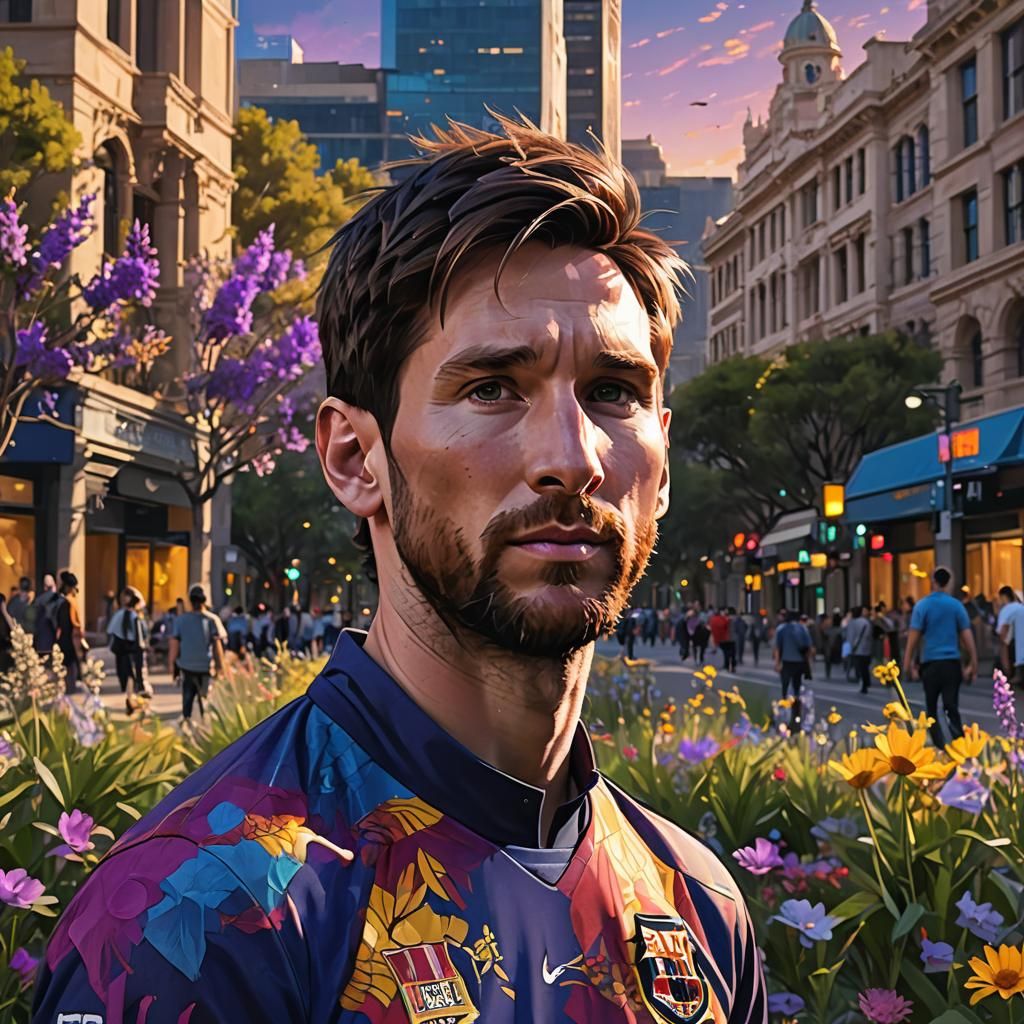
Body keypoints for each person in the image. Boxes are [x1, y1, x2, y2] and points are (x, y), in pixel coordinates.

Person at [34, 116, 767, 1024]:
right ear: (354, 458)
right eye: (493, 387)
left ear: (660, 456)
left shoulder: (696, 909)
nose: (573, 458)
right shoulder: (201, 913)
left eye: (614, 392)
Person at [903, 567, 978, 749]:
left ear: (933, 581)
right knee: (951, 705)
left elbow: (914, 637)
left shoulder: (922, 606)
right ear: (949, 583)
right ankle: (959, 745)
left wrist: (907, 663)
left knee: (931, 707)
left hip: (930, 665)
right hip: (952, 663)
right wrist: (973, 662)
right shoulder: (956, 606)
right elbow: (966, 636)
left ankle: (939, 745)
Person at [168, 584, 228, 726]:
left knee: (187, 699)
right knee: (204, 699)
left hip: (187, 665)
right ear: (205, 600)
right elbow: (217, 645)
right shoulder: (213, 619)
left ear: (190, 600)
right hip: (205, 666)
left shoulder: (180, 620)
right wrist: (221, 667)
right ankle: (204, 726)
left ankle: (186, 725)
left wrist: (172, 665)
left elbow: (174, 645)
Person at [106, 587, 148, 712]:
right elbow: (143, 633)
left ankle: (130, 697)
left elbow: (110, 630)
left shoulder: (119, 614)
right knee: (133, 674)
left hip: (121, 650)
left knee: (126, 674)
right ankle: (132, 698)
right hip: (133, 650)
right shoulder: (136, 616)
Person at [773, 609, 811, 730]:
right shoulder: (803, 629)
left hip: (787, 661)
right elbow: (809, 647)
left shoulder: (782, 629)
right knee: (797, 686)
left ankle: (785, 712)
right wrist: (808, 663)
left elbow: (778, 647)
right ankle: (797, 714)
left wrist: (777, 663)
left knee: (785, 686)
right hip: (799, 662)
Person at [53, 570, 86, 693]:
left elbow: (64, 623)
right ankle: (72, 688)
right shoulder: (72, 601)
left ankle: (70, 690)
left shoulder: (65, 602)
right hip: (74, 637)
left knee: (69, 665)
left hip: (68, 638)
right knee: (73, 664)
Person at [996, 585, 1024, 688]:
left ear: (1003, 597)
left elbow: (1002, 634)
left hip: (1014, 651)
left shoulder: (1006, 610)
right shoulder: (1021, 607)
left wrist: (1005, 663)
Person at [845, 605, 874, 694]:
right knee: (865, 667)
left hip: (857, 649)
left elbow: (850, 637)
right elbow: (869, 635)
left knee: (859, 668)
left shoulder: (852, 623)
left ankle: (863, 684)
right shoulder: (866, 622)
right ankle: (866, 682)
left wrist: (852, 646)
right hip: (867, 648)